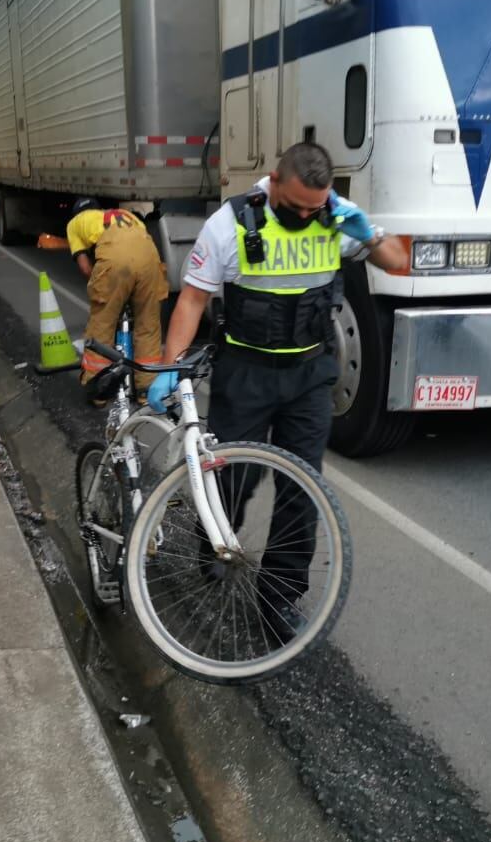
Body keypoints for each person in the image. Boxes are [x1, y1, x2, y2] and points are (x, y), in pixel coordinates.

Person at [148, 142, 408, 642]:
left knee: (302, 489)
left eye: (316, 206)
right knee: (233, 479)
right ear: (273, 182)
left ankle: (279, 598)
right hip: (246, 373)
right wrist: (170, 366)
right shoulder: (231, 223)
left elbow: (397, 262)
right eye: (296, 206)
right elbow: (194, 299)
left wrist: (367, 232)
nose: (306, 215)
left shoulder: (335, 219)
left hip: (309, 375)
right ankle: (215, 544)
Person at [68, 198, 168, 394]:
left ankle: (99, 388)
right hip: (148, 253)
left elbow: (85, 266)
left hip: (116, 255)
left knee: (102, 324)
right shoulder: (125, 215)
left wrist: (103, 287)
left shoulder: (74, 224)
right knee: (148, 325)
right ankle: (146, 390)